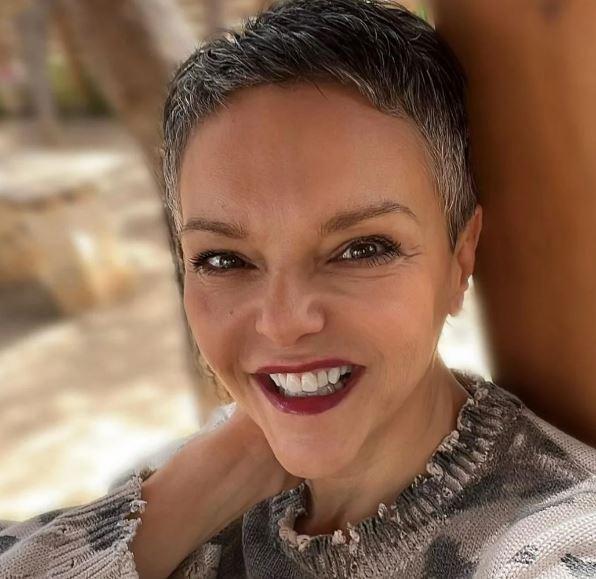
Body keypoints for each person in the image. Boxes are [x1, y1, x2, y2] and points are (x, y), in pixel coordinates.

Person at [1, 0, 595, 577]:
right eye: (223, 259)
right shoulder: (181, 487)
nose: (283, 323)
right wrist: (210, 479)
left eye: (362, 249)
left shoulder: (554, 544)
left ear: (459, 259)